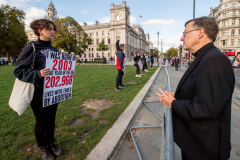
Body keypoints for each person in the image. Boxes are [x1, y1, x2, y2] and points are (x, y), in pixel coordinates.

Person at [157, 17, 234, 160]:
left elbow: (206, 108)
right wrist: (177, 96)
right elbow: (204, 92)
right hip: (197, 145)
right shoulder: (206, 57)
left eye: (185, 33)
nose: (181, 38)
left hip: (205, 149)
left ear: (200, 33)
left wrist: (173, 103)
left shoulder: (214, 60)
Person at [14, 19, 75, 160]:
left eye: (54, 29)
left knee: (51, 120)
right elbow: (19, 71)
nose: (53, 31)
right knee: (41, 122)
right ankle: (42, 148)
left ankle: (50, 143)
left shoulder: (54, 50)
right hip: (38, 91)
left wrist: (67, 72)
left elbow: (56, 70)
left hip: (53, 91)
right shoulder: (31, 48)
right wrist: (38, 73)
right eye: (49, 29)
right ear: (40, 30)